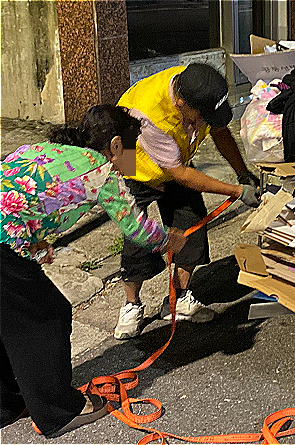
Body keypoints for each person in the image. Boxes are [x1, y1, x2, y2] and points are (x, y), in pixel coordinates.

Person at [0, 105, 200, 437]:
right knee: (49, 315)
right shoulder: (102, 171)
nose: (135, 161)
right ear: (118, 145)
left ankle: (7, 403)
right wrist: (169, 240)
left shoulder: (43, 148)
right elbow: (136, 230)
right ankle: (59, 411)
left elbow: (18, 194)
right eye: (135, 151)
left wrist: (33, 241)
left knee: (9, 318)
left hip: (6, 236)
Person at [114, 63, 260, 340]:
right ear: (181, 104)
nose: (207, 120)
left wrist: (242, 173)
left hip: (175, 163)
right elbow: (181, 174)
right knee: (137, 237)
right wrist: (236, 191)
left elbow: (219, 132)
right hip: (134, 164)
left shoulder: (199, 85)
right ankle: (132, 305)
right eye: (203, 116)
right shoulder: (149, 115)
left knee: (191, 225)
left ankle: (178, 300)